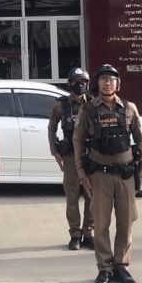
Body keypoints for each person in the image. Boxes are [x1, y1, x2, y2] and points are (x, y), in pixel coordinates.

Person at [75, 64, 142, 283]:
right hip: (100, 176)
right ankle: (104, 267)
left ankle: (121, 266)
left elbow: (141, 140)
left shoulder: (129, 108)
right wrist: (82, 174)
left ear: (118, 83)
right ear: (97, 83)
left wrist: (141, 172)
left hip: (125, 175)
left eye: (112, 79)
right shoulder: (88, 110)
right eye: (103, 79)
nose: (107, 82)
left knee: (126, 223)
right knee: (101, 223)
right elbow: (78, 141)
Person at [48, 67, 95, 251]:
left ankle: (89, 232)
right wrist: (55, 152)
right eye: (76, 82)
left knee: (92, 195)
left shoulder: (93, 103)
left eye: (83, 82)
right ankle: (75, 234)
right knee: (72, 196)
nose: (79, 85)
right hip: (70, 156)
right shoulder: (61, 105)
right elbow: (52, 128)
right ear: (69, 84)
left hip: (91, 155)